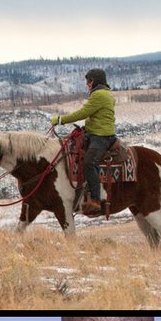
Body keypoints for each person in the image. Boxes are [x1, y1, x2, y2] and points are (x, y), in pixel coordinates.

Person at [51, 67, 116, 214]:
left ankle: (95, 199)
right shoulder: (103, 94)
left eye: (88, 81)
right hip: (94, 133)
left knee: (89, 162)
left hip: (101, 137)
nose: (87, 84)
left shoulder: (99, 95)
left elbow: (83, 113)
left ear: (94, 81)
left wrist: (60, 120)